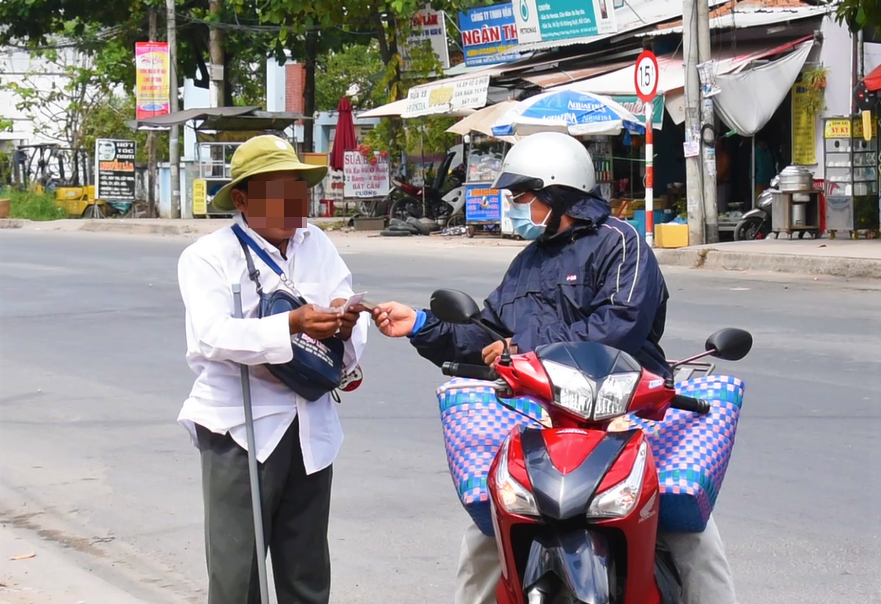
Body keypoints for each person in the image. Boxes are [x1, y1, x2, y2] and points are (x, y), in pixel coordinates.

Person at [369, 132, 737, 604]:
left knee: (691, 535)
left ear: (558, 191)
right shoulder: (527, 262)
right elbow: (485, 333)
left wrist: (519, 347)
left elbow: (617, 325)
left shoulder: (621, 245)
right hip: (546, 419)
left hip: (624, 413)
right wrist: (421, 323)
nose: (518, 206)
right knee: (485, 541)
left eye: (524, 197)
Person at [176, 135, 369, 604]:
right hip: (242, 426)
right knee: (237, 573)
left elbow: (344, 301)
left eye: (298, 193)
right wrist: (293, 323)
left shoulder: (316, 243)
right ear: (242, 199)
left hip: (309, 425)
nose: (293, 205)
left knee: (306, 569)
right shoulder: (208, 256)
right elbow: (212, 335)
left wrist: (344, 322)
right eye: (279, 194)